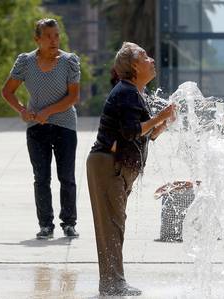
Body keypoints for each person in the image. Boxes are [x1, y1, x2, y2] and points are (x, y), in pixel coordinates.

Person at [86, 42, 176, 296]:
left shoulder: (135, 92)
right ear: (134, 65)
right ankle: (112, 284)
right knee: (111, 227)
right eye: (145, 56)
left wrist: (163, 124)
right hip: (107, 165)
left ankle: (115, 282)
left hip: (115, 167)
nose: (152, 60)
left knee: (115, 226)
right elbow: (130, 132)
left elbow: (142, 136)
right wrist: (159, 118)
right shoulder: (126, 92)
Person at [1, 19, 81, 239]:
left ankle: (69, 223)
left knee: (66, 176)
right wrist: (21, 109)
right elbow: (7, 92)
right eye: (48, 36)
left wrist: (49, 111)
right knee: (41, 177)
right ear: (37, 39)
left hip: (65, 125)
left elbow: (73, 96)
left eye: (56, 35)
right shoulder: (25, 62)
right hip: (36, 127)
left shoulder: (69, 61)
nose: (53, 40)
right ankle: (46, 224)